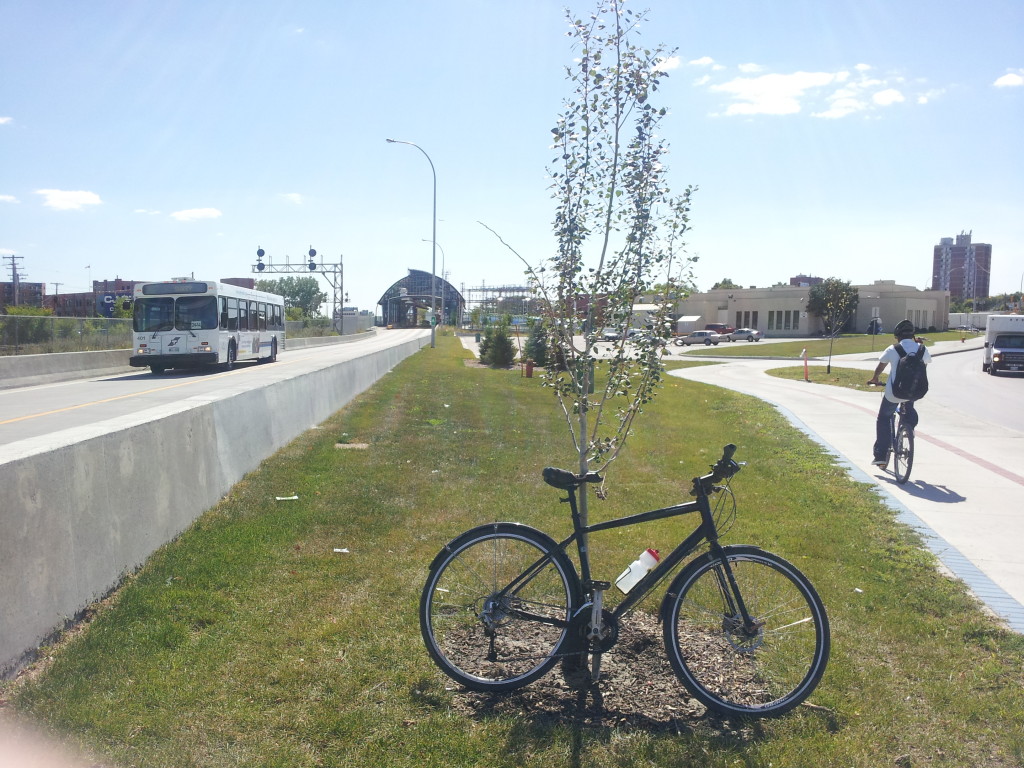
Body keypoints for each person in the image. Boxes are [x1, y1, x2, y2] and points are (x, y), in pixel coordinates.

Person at [866, 319, 931, 467]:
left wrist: (875, 378)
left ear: (897, 336)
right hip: (915, 391)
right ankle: (909, 428)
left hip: (893, 393)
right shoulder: (922, 349)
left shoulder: (893, 349)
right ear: (913, 334)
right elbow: (925, 365)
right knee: (909, 407)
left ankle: (881, 456)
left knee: (883, 418)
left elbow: (881, 366)